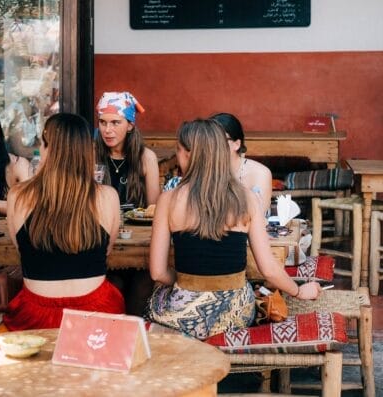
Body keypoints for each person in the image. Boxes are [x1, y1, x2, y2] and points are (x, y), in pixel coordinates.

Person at [146, 119, 321, 340]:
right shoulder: (245, 198)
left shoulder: (168, 200)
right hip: (235, 315)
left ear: (190, 154)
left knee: (154, 296)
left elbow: (158, 272)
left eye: (178, 151)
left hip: (184, 318)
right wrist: (299, 291)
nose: (177, 156)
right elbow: (269, 269)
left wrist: (187, 285)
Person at [3, 113, 125, 330]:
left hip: (35, 315)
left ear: (48, 149)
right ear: (87, 151)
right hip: (96, 313)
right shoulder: (108, 196)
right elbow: (104, 253)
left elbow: (22, 250)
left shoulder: (18, 195)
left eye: (42, 144)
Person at [95, 91, 160, 315]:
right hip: (102, 240)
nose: (107, 130)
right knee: (113, 283)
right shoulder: (91, 155)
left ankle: (133, 338)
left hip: (137, 242)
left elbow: (154, 208)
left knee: (143, 284)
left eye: (115, 122)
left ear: (130, 125)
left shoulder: (145, 157)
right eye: (102, 122)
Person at [164, 112, 272, 217]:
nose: (214, 144)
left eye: (220, 139)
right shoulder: (200, 170)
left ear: (237, 144)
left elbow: (258, 216)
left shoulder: (260, 173)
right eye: (210, 140)